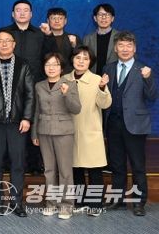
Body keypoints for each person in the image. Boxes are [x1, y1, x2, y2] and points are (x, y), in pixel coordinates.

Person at [0, 30, 35, 218]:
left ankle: (17, 203)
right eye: (0, 41)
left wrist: (27, 118)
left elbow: (30, 94)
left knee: (17, 164)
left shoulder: (23, 65)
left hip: (17, 122)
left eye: (7, 41)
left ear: (14, 44)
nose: (3, 44)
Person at [103, 31, 156, 216]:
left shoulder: (143, 69)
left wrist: (148, 78)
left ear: (134, 49)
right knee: (117, 165)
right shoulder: (108, 68)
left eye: (129, 45)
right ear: (115, 49)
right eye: (121, 45)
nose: (125, 49)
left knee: (137, 166)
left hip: (135, 125)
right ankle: (118, 201)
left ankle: (139, 203)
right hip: (113, 124)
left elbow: (152, 96)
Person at [31, 53, 81, 219]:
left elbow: (76, 109)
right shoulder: (39, 86)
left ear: (61, 67)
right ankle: (51, 203)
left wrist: (66, 94)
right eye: (48, 64)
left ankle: (67, 205)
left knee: (65, 170)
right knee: (49, 170)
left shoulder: (70, 84)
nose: (51, 68)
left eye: (55, 64)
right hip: (44, 131)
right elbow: (36, 110)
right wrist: (34, 132)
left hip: (64, 132)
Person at [64, 46, 111, 217]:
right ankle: (80, 201)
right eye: (78, 57)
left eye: (85, 58)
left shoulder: (97, 79)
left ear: (90, 62)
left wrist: (102, 88)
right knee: (75, 169)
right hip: (70, 131)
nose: (81, 61)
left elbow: (105, 104)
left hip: (90, 132)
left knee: (94, 170)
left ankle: (95, 204)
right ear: (72, 59)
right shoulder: (64, 79)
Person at [0, 0, 44, 175]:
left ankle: (34, 164)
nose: (22, 13)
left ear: (31, 14)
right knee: (10, 125)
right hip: (9, 87)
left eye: (26, 10)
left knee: (32, 124)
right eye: (18, 10)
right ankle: (8, 163)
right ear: (13, 14)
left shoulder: (40, 34)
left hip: (34, 87)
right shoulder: (5, 33)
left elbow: (46, 59)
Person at [40, 7, 81, 74]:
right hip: (47, 75)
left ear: (65, 21)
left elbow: (80, 59)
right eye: (53, 18)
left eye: (60, 18)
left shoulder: (74, 38)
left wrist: (74, 46)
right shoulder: (41, 38)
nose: (57, 21)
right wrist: (48, 35)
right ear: (48, 21)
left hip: (69, 76)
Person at [83, 4, 119, 76]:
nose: (104, 17)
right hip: (92, 78)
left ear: (112, 18)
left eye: (107, 15)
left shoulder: (120, 37)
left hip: (114, 78)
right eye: (100, 14)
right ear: (95, 18)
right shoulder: (87, 39)